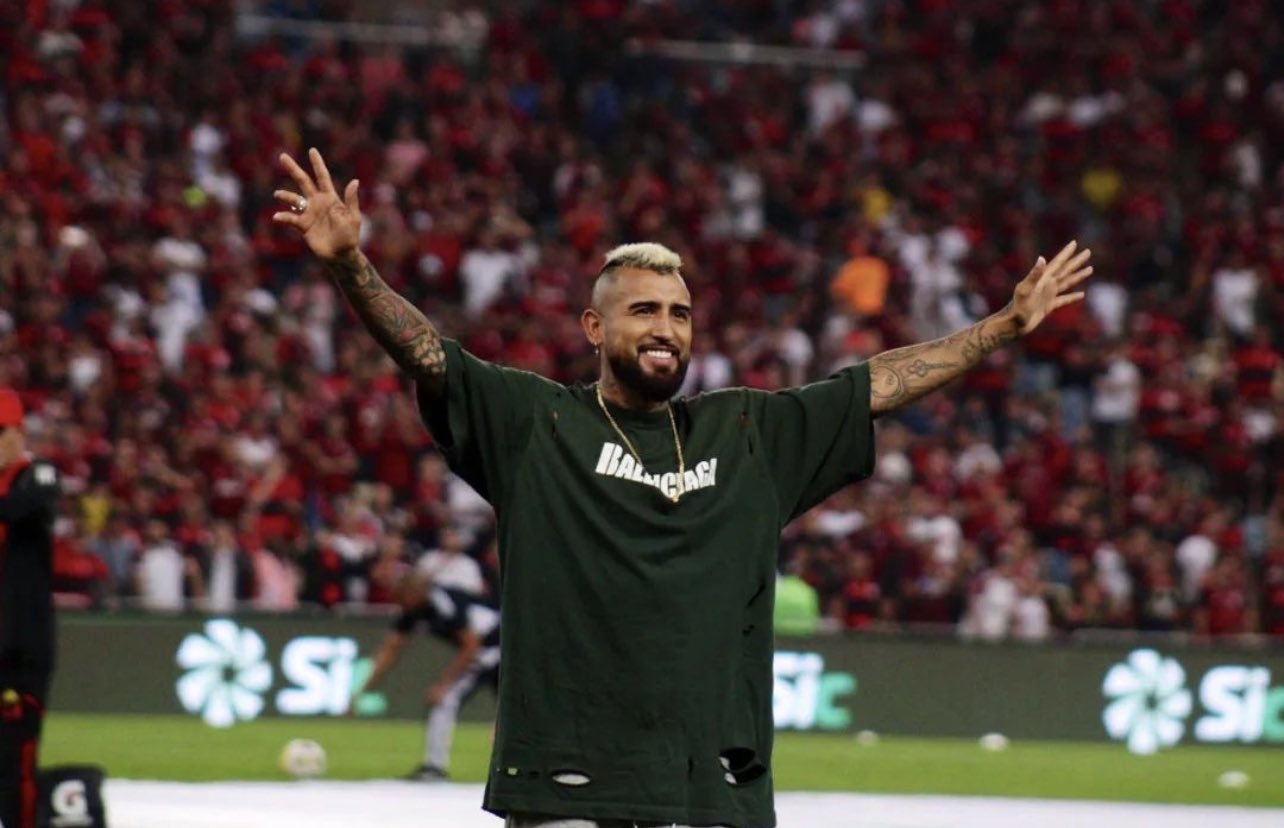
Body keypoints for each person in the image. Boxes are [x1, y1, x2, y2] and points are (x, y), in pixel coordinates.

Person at [273, 148, 1092, 828]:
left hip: (711, 789)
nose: (666, 328)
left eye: (680, 313)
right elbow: (430, 356)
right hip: (568, 782)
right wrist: (349, 264)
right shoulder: (536, 423)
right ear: (595, 327)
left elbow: (873, 384)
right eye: (643, 311)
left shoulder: (747, 431)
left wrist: (1002, 327)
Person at [349, 570, 500, 781]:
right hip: (486, 652)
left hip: (499, 648)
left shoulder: (442, 603)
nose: (399, 604)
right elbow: (390, 650)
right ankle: (435, 767)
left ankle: (435, 768)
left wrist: (443, 685)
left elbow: (471, 646)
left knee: (443, 700)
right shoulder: (412, 609)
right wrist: (362, 691)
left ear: (415, 592)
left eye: (401, 598)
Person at [0, 389, 62, 828]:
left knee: (17, 757)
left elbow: (20, 508)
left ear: (18, 434)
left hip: (21, 647)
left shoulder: (38, 475)